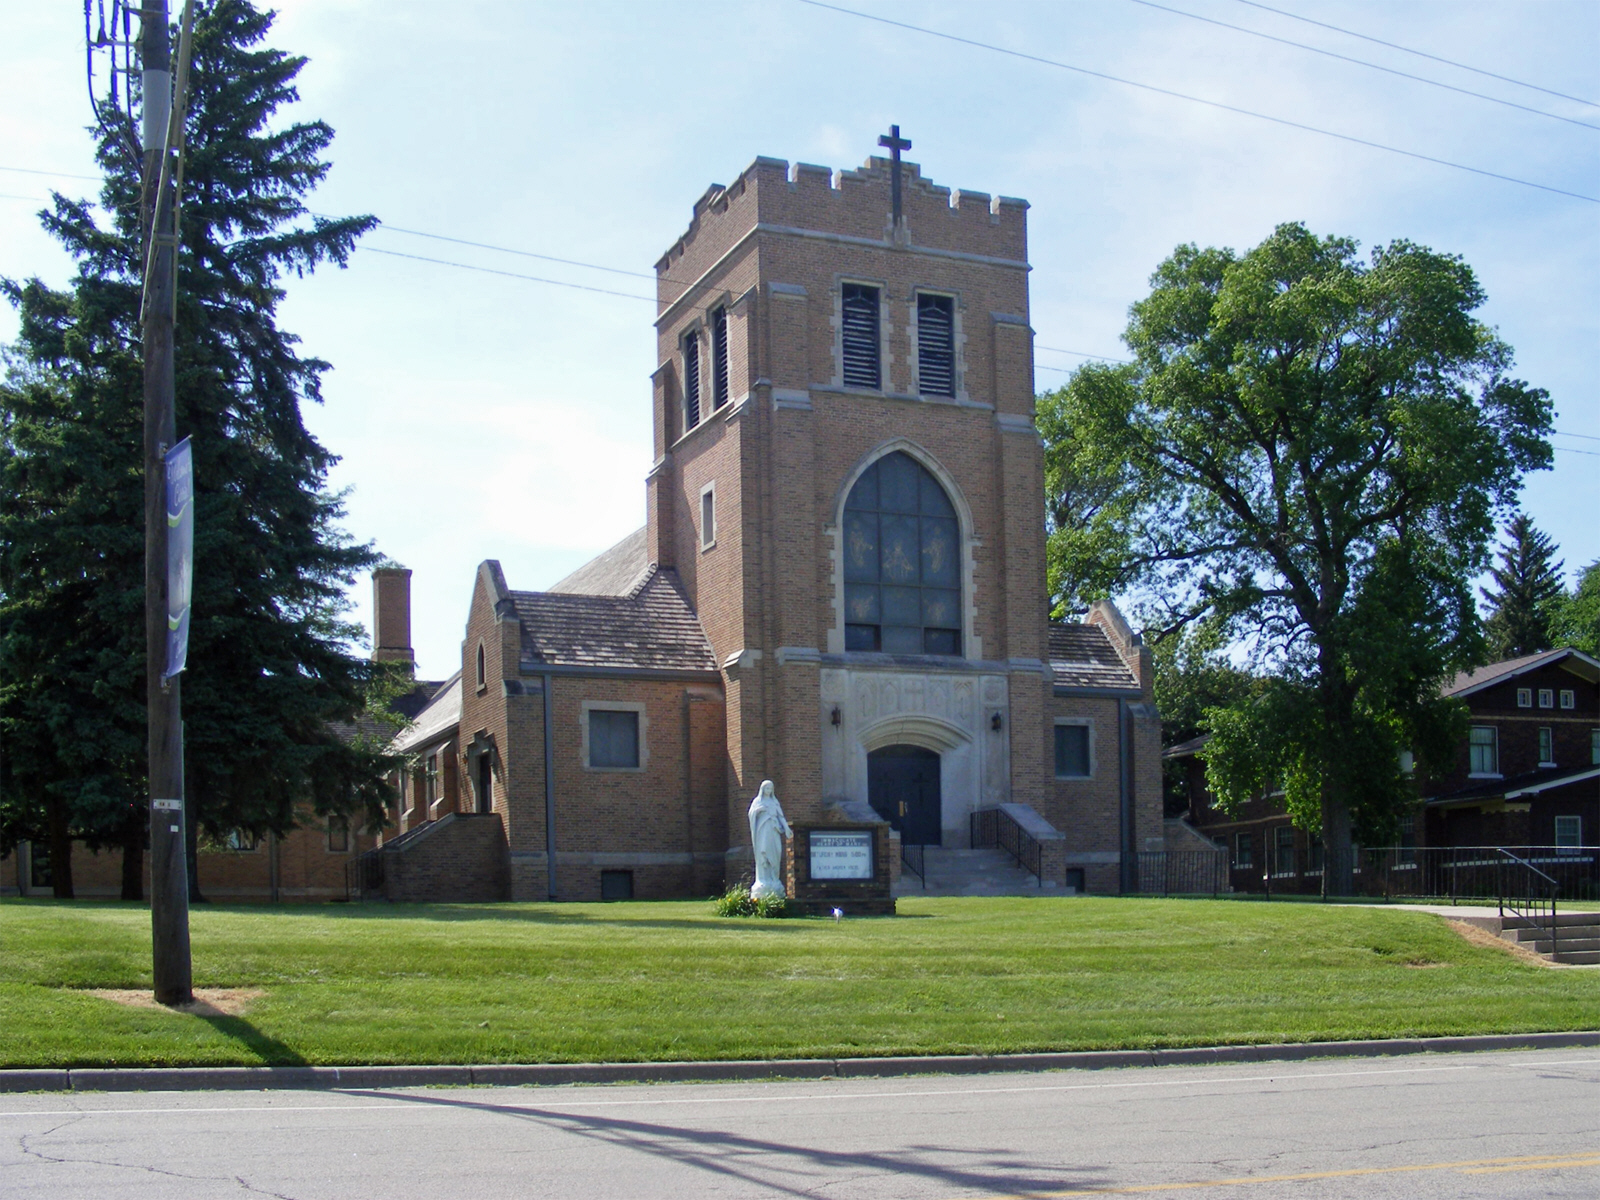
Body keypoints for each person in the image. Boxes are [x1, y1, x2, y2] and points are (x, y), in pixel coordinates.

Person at [747, 780, 793, 900]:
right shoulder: (758, 801)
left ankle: (774, 879)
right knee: (763, 854)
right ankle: (762, 879)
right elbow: (751, 814)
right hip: (763, 832)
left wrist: (786, 828)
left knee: (776, 853)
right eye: (767, 789)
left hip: (774, 831)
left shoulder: (774, 802)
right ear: (762, 789)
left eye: (771, 789)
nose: (769, 791)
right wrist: (758, 811)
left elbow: (780, 816)